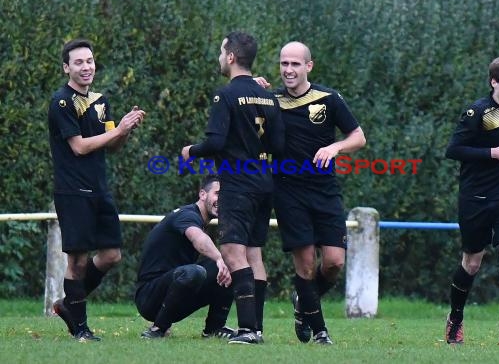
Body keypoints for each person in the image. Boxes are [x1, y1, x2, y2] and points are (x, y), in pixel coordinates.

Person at [181, 31, 284, 345]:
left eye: (220, 51)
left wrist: (190, 151)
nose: (219, 57)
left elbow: (215, 142)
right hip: (265, 183)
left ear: (230, 56)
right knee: (254, 254)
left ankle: (248, 330)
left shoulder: (224, 95)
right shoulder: (268, 96)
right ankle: (257, 328)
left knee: (232, 252)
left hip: (237, 184)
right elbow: (279, 144)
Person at [259, 41, 366, 345]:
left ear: (309, 66)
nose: (288, 70)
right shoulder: (270, 100)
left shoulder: (329, 99)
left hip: (325, 191)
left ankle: (302, 302)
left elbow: (358, 137)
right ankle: (320, 332)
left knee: (334, 262)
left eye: (295, 64)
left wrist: (335, 147)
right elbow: (239, 106)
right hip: (287, 191)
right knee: (305, 263)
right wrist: (249, 86)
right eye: (284, 64)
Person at [48, 38, 145, 341]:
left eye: (89, 61)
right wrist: (117, 131)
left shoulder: (101, 100)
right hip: (72, 191)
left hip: (99, 189)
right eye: (79, 62)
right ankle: (81, 328)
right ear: (67, 67)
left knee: (112, 255)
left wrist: (125, 131)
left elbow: (112, 145)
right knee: (76, 262)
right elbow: (78, 147)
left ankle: (68, 305)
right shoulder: (61, 101)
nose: (86, 66)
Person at [444, 56, 499, 347]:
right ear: (494, 82)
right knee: (472, 262)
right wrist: (491, 153)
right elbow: (454, 150)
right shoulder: (477, 112)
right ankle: (455, 318)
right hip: (476, 199)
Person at [135, 174, 236, 339]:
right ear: (202, 194)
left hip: (174, 291)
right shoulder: (187, 215)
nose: (222, 199)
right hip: (148, 298)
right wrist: (218, 258)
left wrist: (224, 262)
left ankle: (214, 328)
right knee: (195, 272)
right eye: (218, 193)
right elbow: (197, 238)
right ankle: (157, 329)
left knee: (231, 264)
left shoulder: (199, 219)